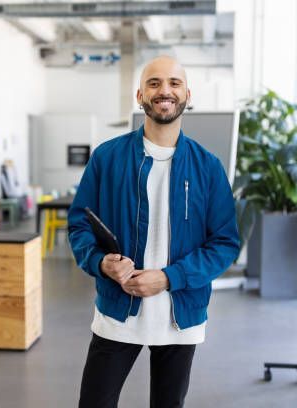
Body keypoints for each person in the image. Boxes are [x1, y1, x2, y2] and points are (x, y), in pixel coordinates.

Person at [68, 55, 240, 408]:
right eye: (154, 83)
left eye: (174, 83)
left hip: (181, 315)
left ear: (187, 95)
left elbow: (224, 243)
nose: (165, 91)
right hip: (118, 310)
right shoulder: (107, 158)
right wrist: (101, 263)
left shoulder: (208, 167)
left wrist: (168, 278)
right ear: (140, 95)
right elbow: (79, 224)